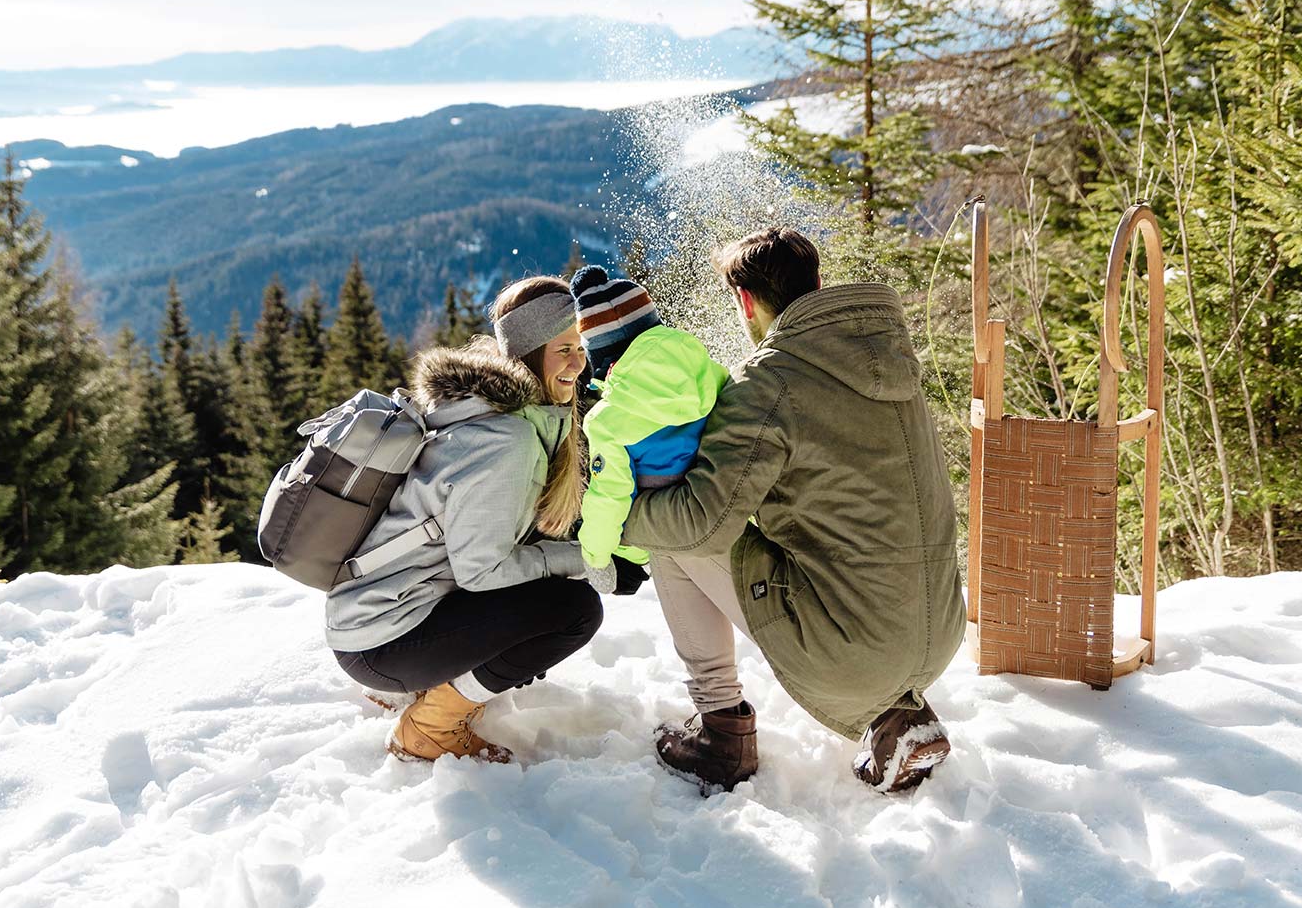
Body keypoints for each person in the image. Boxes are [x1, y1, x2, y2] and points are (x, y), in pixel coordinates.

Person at [622, 228, 967, 794]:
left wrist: (615, 520)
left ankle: (721, 733)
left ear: (746, 302)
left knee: (672, 519)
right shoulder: (890, 359)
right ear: (817, 287)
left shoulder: (771, 382)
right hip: (938, 629)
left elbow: (703, 521)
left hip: (857, 650)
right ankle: (895, 717)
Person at [325, 276, 602, 764]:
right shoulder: (505, 442)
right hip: (382, 639)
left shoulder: (495, 418)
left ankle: (426, 688)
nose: (578, 362)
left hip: (380, 618)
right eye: (564, 348)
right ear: (531, 352)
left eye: (579, 346)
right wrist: (584, 559)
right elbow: (483, 573)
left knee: (545, 598)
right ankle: (432, 725)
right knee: (573, 609)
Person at [568, 264, 728, 570]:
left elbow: (610, 496)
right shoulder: (711, 372)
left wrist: (596, 554)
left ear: (600, 358)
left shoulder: (607, 420)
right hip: (728, 513)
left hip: (667, 538)